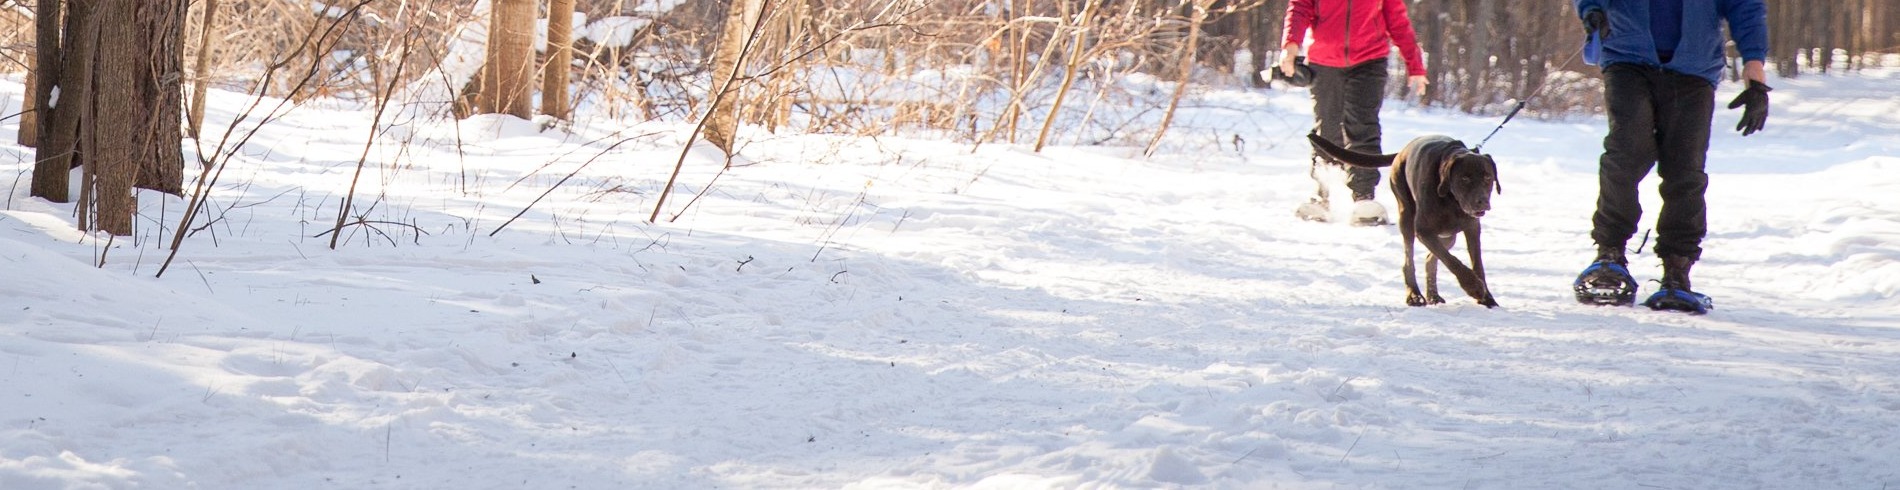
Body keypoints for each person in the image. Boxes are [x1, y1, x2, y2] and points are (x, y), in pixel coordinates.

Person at [1570, 0, 1770, 313]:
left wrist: (1754, 67)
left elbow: (1745, 7)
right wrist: (1592, 10)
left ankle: (1677, 270)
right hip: (1627, 57)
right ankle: (1609, 254)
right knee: (1625, 152)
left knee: (1685, 169)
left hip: (1694, 67)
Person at [1278, 0, 1429, 226]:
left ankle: (1364, 197)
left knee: (1363, 126)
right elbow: (1299, 8)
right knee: (1326, 128)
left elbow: (1397, 20)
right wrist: (1290, 47)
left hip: (1370, 60)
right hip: (1323, 61)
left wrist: (1415, 65)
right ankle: (1322, 194)